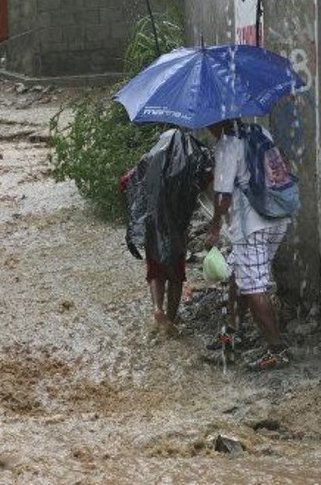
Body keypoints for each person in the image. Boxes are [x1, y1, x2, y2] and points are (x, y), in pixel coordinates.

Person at [204, 119, 291, 371]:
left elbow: (222, 195)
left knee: (253, 286)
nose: (209, 129)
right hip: (277, 216)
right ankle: (232, 332)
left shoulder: (227, 144)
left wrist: (215, 227)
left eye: (210, 124)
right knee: (238, 272)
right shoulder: (259, 130)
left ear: (217, 120)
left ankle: (277, 350)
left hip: (251, 224)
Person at [121, 129, 212, 337]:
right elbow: (206, 179)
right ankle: (171, 319)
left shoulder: (148, 161)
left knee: (155, 270)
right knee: (176, 275)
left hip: (152, 227)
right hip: (177, 228)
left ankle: (157, 310)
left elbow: (125, 183)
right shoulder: (188, 165)